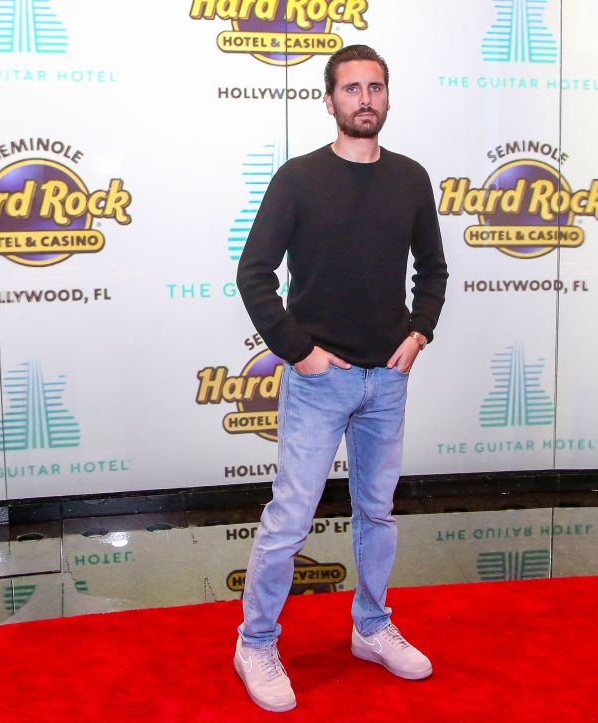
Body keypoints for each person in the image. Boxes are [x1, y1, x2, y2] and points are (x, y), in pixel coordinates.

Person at [233, 44, 448, 713]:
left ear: (387, 97)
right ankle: (255, 643)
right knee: (290, 520)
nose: (365, 99)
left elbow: (433, 269)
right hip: (319, 382)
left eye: (375, 87)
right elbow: (254, 274)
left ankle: (372, 627)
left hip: (388, 380)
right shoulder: (298, 178)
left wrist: (419, 332)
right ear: (329, 101)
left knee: (377, 514)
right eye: (351, 88)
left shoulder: (410, 178)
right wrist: (299, 352)